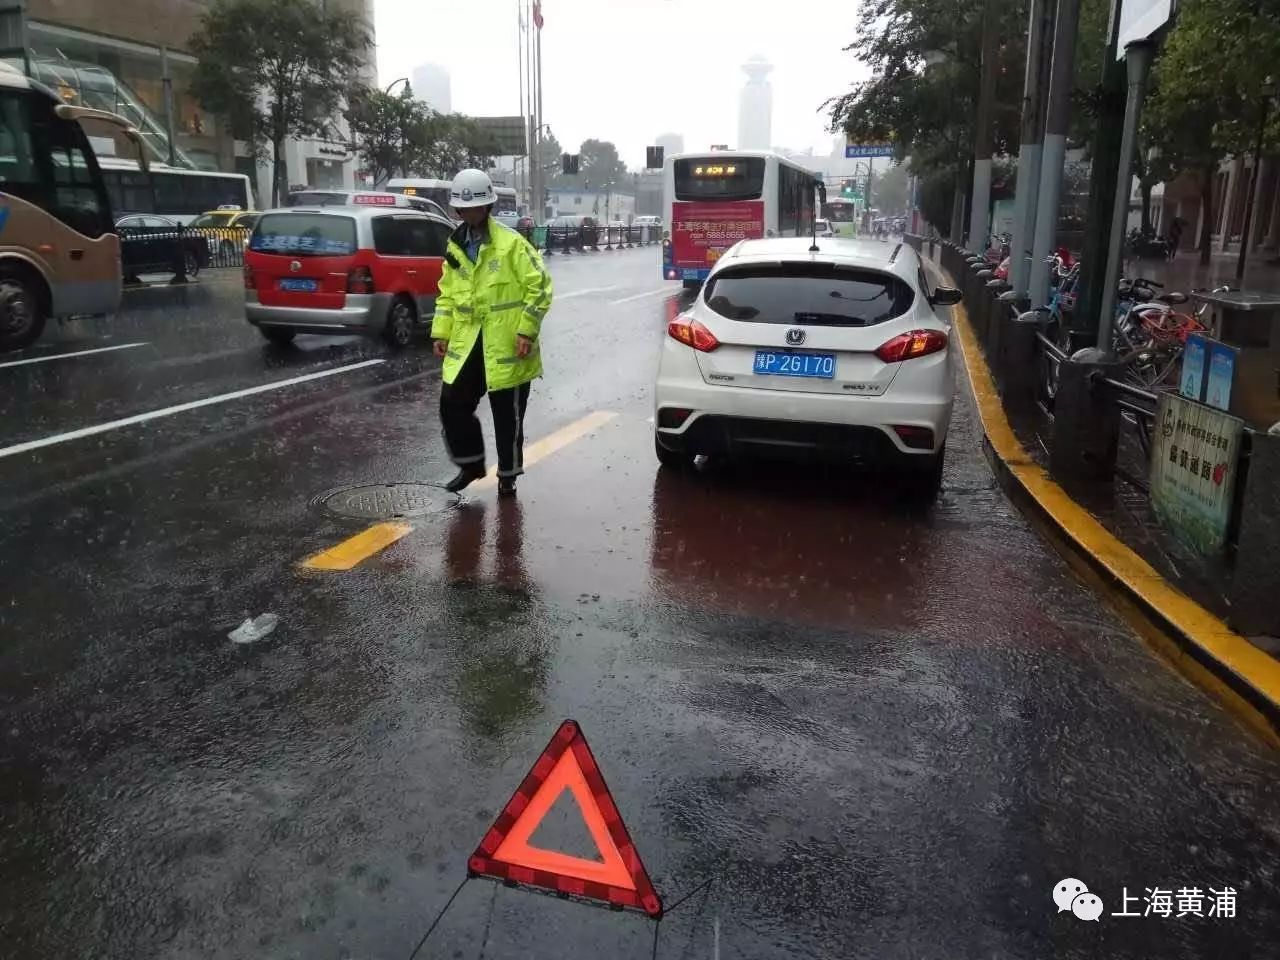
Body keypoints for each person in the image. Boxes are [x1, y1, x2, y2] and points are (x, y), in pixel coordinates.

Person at [432, 169, 553, 496]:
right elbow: (446, 293)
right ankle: (470, 465)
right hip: (469, 340)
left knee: (508, 416)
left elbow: (539, 286)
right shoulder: (455, 246)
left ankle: (508, 475)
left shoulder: (512, 244)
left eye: (475, 207)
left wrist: (526, 331)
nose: (469, 214)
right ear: (457, 210)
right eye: (463, 209)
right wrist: (440, 332)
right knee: (452, 403)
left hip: (509, 342)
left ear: (488, 207)